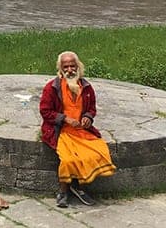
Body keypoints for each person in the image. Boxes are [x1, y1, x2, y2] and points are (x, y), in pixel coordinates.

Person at [40, 51, 116, 208]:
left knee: (98, 151)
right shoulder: (52, 88)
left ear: (78, 67)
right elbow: (45, 111)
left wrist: (88, 117)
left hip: (82, 131)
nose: (69, 70)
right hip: (60, 130)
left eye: (72, 66)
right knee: (68, 159)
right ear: (60, 68)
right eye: (65, 66)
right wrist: (65, 119)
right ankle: (63, 191)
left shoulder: (87, 88)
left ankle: (78, 186)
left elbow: (92, 108)